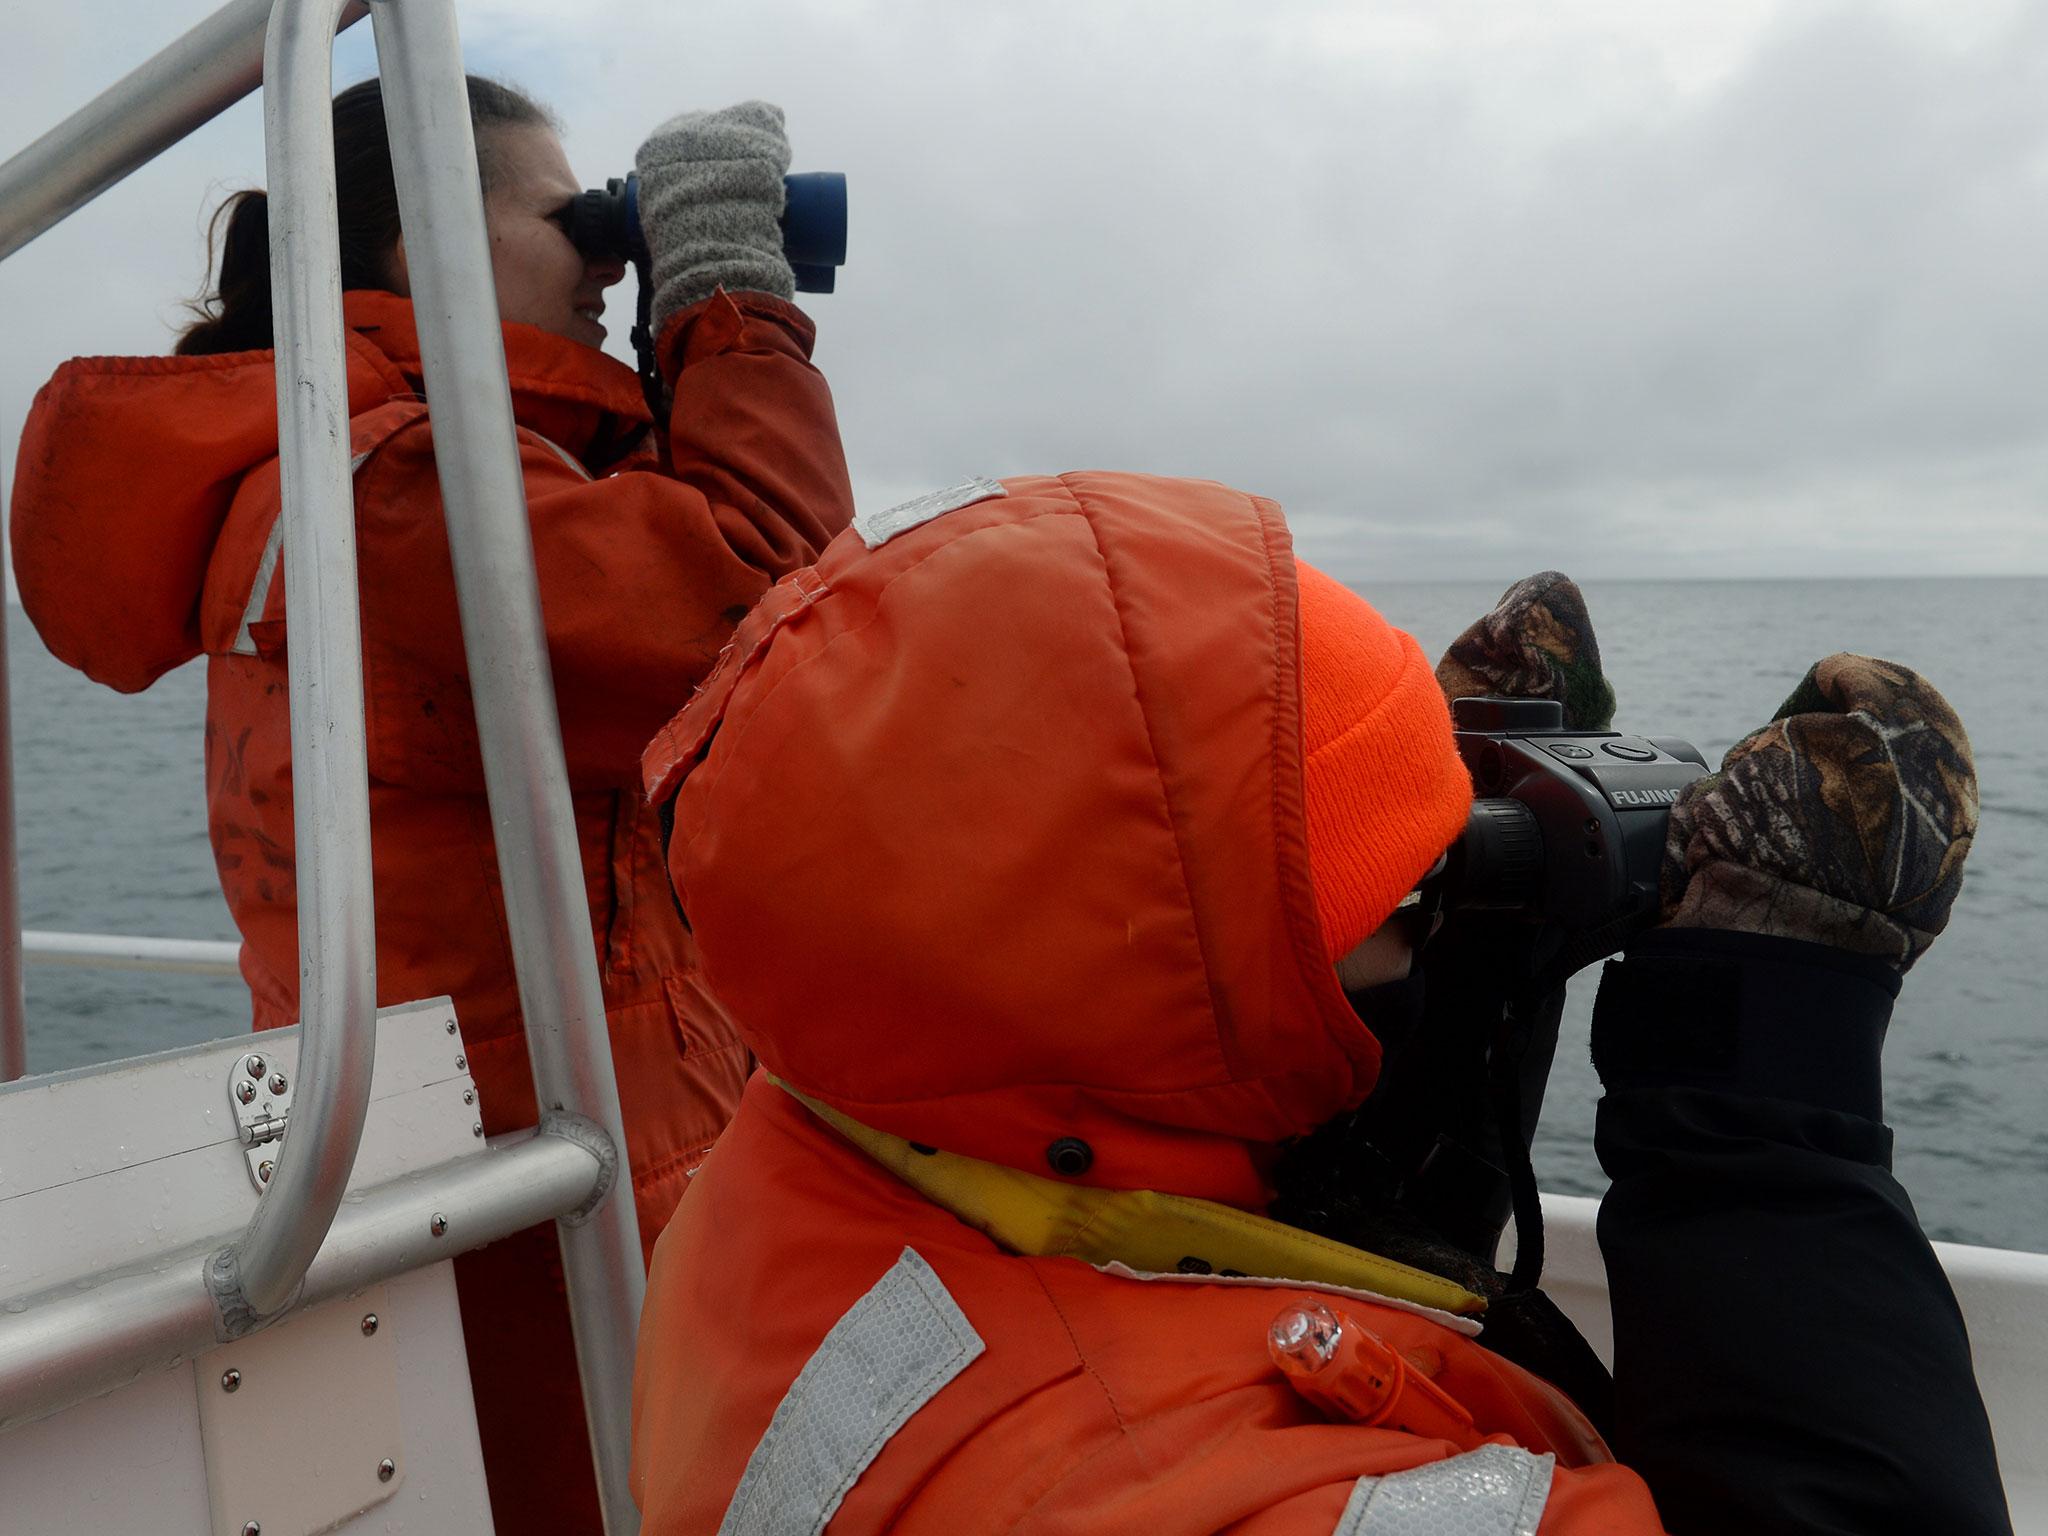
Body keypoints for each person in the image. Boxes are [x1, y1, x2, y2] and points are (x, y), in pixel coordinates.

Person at [626, 475, 2010, 1533]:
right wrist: (1766, 1074)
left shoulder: (840, 1110)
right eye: (1411, 901)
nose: (1450, 919)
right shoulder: (1204, 1492)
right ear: (1181, 1022)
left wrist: (1395, 856)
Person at [8, 76, 854, 1532]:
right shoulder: (393, 493)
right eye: (568, 216)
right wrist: (724, 306)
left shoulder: (380, 474)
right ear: (418, 254)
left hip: (527, 1182)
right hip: (539, 1225)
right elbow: (775, 614)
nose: (605, 255)